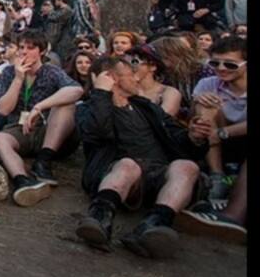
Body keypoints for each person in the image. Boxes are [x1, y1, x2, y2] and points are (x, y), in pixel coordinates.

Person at [74, 56, 207, 259]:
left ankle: (154, 224)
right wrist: (101, 93)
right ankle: (100, 219)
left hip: (159, 174)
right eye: (131, 75)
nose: (137, 79)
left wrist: (194, 137)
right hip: (118, 173)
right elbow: (96, 132)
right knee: (129, 165)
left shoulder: (146, 107)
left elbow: (177, 138)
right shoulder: (88, 109)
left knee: (187, 166)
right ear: (112, 78)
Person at [0, 30, 85, 206]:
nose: (24, 52)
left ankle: (43, 161)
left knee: (66, 106)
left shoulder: (51, 72)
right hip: (21, 128)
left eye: (30, 48)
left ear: (41, 51)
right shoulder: (10, 72)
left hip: (49, 129)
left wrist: (39, 106)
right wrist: (18, 79)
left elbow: (76, 90)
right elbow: (3, 109)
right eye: (21, 47)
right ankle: (22, 180)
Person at [189, 36, 248, 204]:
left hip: (232, 135)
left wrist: (221, 132)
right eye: (214, 63)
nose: (221, 68)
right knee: (206, 103)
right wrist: (198, 101)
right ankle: (218, 176)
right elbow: (194, 118)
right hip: (216, 140)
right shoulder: (208, 83)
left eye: (230, 64)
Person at [127, 44, 182, 118]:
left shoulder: (169, 92)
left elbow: (163, 118)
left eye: (134, 62)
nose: (130, 67)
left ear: (153, 66)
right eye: (126, 63)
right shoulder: (124, 91)